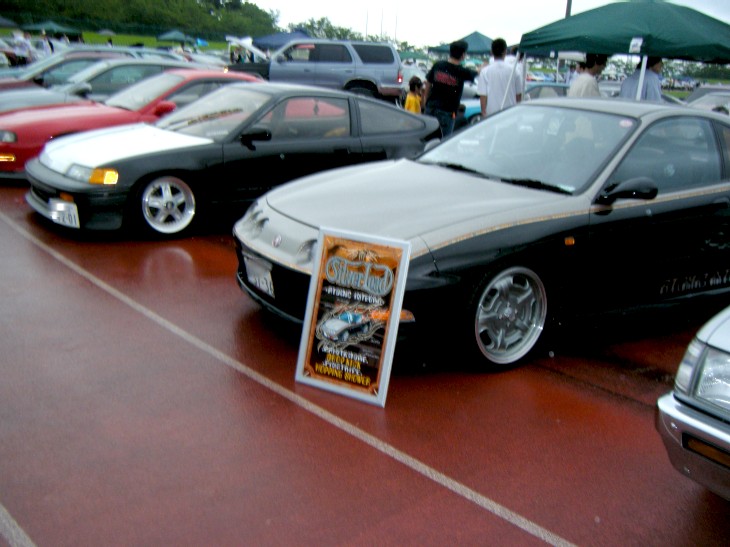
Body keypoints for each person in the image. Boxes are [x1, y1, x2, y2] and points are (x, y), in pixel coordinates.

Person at [423, 40, 478, 137]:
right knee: (444, 141)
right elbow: (477, 72)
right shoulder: (462, 71)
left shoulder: (438, 65)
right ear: (463, 55)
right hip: (447, 113)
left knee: (427, 138)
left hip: (431, 108)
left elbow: (428, 83)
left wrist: (425, 101)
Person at [477, 37, 522, 118]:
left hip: (491, 115)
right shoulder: (515, 71)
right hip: (510, 113)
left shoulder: (485, 71)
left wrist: (483, 112)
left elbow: (483, 96)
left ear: (492, 52)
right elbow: (519, 95)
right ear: (505, 51)